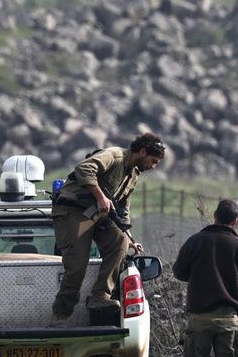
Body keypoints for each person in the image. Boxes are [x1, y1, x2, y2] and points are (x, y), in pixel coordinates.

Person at [49, 133, 165, 325]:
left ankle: (100, 295)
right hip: (73, 211)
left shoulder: (133, 174)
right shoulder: (114, 156)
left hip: (99, 215)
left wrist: (130, 238)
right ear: (143, 151)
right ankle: (60, 314)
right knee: (77, 265)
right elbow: (84, 168)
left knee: (120, 241)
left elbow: (122, 209)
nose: (153, 166)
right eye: (153, 161)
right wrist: (100, 196)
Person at [172, 199, 238, 357]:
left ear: (215, 216)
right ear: (235, 221)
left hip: (199, 319)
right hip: (228, 320)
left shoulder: (195, 241)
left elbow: (179, 273)